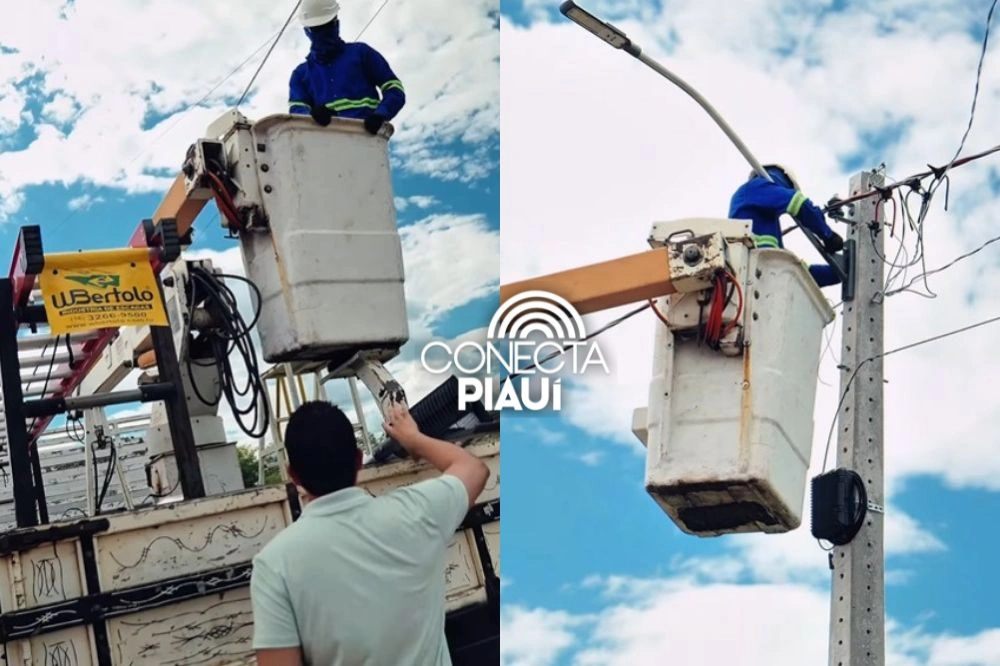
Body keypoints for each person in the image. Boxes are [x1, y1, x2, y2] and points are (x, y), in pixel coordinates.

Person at [250, 400, 490, 666]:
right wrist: (414, 439)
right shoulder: (418, 511)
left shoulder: (274, 564)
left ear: (292, 475)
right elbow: (474, 469)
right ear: (358, 460)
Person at [288, 0, 406, 135]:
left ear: (336, 24)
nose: (323, 33)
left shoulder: (361, 54)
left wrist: (380, 114)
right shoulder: (301, 74)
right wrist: (311, 115)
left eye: (327, 26)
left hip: (368, 138)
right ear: (307, 31)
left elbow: (394, 88)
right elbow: (297, 109)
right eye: (317, 29)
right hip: (325, 141)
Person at [729, 164, 845, 287]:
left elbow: (795, 273)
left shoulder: (766, 225)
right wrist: (828, 236)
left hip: (759, 278)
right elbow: (800, 204)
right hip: (754, 274)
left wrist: (837, 273)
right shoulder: (755, 187)